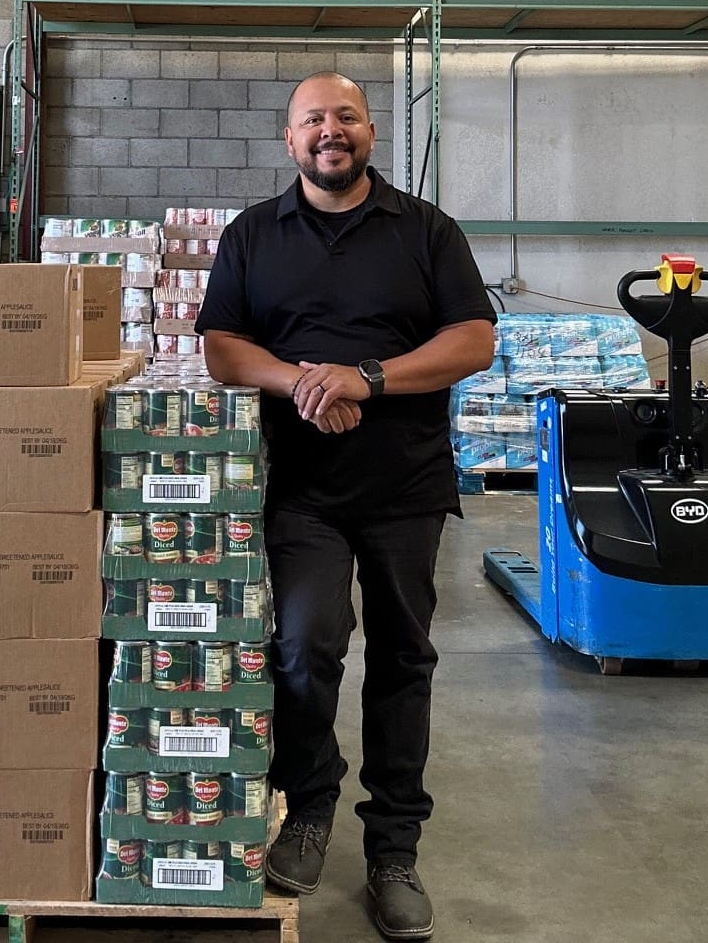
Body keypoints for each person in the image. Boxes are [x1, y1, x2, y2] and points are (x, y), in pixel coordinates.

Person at [195, 71, 496, 941]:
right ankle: (311, 806)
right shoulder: (254, 235)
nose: (332, 132)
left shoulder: (425, 231)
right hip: (300, 491)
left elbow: (472, 339)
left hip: (405, 487)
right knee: (302, 646)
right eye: (313, 121)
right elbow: (220, 347)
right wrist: (305, 382)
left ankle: (394, 850)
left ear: (370, 133)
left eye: (347, 118)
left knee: (404, 660)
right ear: (289, 140)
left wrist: (368, 376)